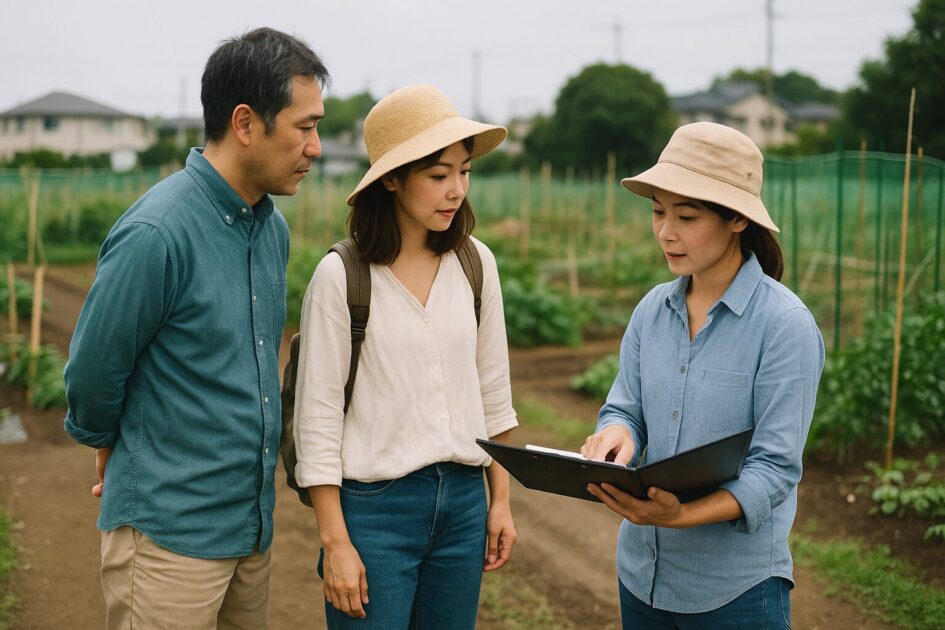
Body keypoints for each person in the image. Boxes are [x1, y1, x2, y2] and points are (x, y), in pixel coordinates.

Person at [63, 27, 328, 629]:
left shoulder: (271, 229)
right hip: (168, 535)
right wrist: (113, 443)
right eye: (305, 126)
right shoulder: (158, 233)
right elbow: (92, 371)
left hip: (249, 529)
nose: (315, 147)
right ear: (244, 122)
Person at [581, 122, 825, 629]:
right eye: (657, 211)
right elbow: (625, 406)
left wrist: (681, 517)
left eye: (687, 216)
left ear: (737, 218)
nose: (666, 232)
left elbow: (775, 470)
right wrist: (616, 437)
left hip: (735, 592)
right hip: (641, 576)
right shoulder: (652, 311)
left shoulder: (784, 326)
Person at [293, 83, 518, 629]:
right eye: (438, 175)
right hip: (375, 513)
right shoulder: (341, 277)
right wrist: (336, 541)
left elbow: (494, 391)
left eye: (464, 171)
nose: (456, 190)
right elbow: (317, 421)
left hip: (464, 504)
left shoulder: (475, 264)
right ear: (391, 179)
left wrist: (500, 500)